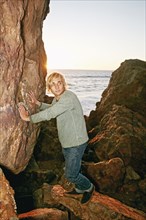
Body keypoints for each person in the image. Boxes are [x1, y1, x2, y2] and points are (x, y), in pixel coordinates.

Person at [18, 72, 94, 204]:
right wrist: (38, 104)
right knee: (74, 168)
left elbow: (51, 113)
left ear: (64, 83)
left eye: (59, 82)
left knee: (71, 174)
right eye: (53, 84)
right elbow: (54, 108)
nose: (57, 86)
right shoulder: (58, 99)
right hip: (67, 142)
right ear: (49, 87)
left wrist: (28, 118)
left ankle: (88, 187)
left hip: (76, 143)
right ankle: (80, 188)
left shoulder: (68, 97)